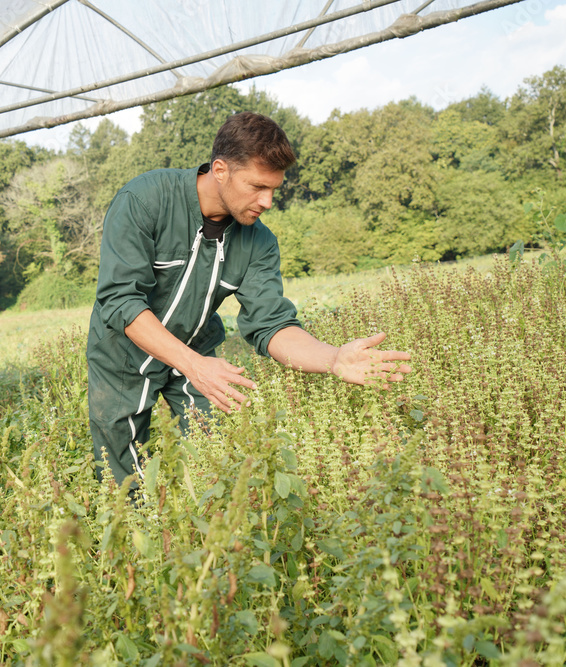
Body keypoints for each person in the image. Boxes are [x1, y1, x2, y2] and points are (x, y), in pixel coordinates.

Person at [87, 111, 411, 489]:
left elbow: (273, 324)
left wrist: (333, 358)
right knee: (122, 479)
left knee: (220, 463)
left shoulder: (259, 241)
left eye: (274, 189)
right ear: (220, 170)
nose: (268, 201)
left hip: (196, 348)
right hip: (123, 356)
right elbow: (120, 299)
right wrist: (194, 366)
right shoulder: (145, 200)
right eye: (257, 186)